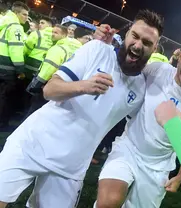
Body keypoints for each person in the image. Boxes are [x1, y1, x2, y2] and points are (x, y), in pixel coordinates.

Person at [0, 9, 163, 208]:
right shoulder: (97, 49)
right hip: (32, 144)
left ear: (154, 48)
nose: (138, 45)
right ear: (126, 34)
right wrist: (83, 86)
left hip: (70, 169)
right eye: (135, 36)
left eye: (146, 43)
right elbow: (50, 90)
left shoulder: (139, 91)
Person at [94, 29, 181, 207]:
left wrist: (180, 176)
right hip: (128, 149)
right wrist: (104, 46)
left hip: (158, 168)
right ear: (180, 55)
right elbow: (126, 68)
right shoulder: (157, 70)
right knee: (108, 203)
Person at [25, 26, 91, 116]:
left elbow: (48, 69)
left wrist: (35, 85)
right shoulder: (81, 52)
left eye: (56, 32)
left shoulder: (59, 49)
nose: (52, 34)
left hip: (48, 86)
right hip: (66, 90)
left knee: (34, 112)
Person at [0, 1, 29, 129]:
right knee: (4, 97)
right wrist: (20, 69)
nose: (26, 18)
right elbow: (15, 50)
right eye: (24, 14)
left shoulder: (5, 23)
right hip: (7, 69)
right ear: (16, 13)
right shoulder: (16, 27)